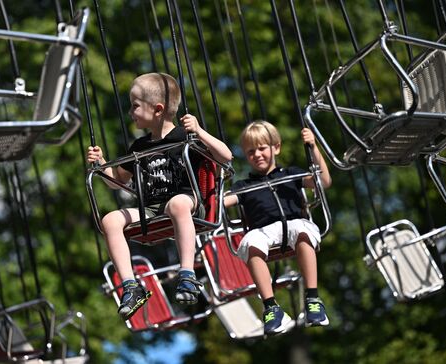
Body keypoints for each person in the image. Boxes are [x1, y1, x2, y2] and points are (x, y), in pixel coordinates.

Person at [87, 73, 233, 320]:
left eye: (135, 106)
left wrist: (199, 131)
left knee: (176, 204)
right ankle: (131, 287)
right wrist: (101, 164)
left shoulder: (185, 137)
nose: (130, 112)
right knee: (110, 220)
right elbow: (118, 181)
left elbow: (226, 157)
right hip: (153, 210)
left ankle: (187, 274)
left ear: (157, 109)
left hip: (187, 202)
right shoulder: (140, 147)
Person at [224, 120, 331, 335]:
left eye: (262, 148)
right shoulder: (243, 187)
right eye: (251, 151)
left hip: (293, 224)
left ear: (276, 148)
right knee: (250, 243)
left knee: (303, 231)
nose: (258, 154)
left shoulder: (290, 174)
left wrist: (313, 147)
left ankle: (312, 298)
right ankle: (271, 308)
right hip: (263, 232)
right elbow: (219, 204)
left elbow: (324, 181)